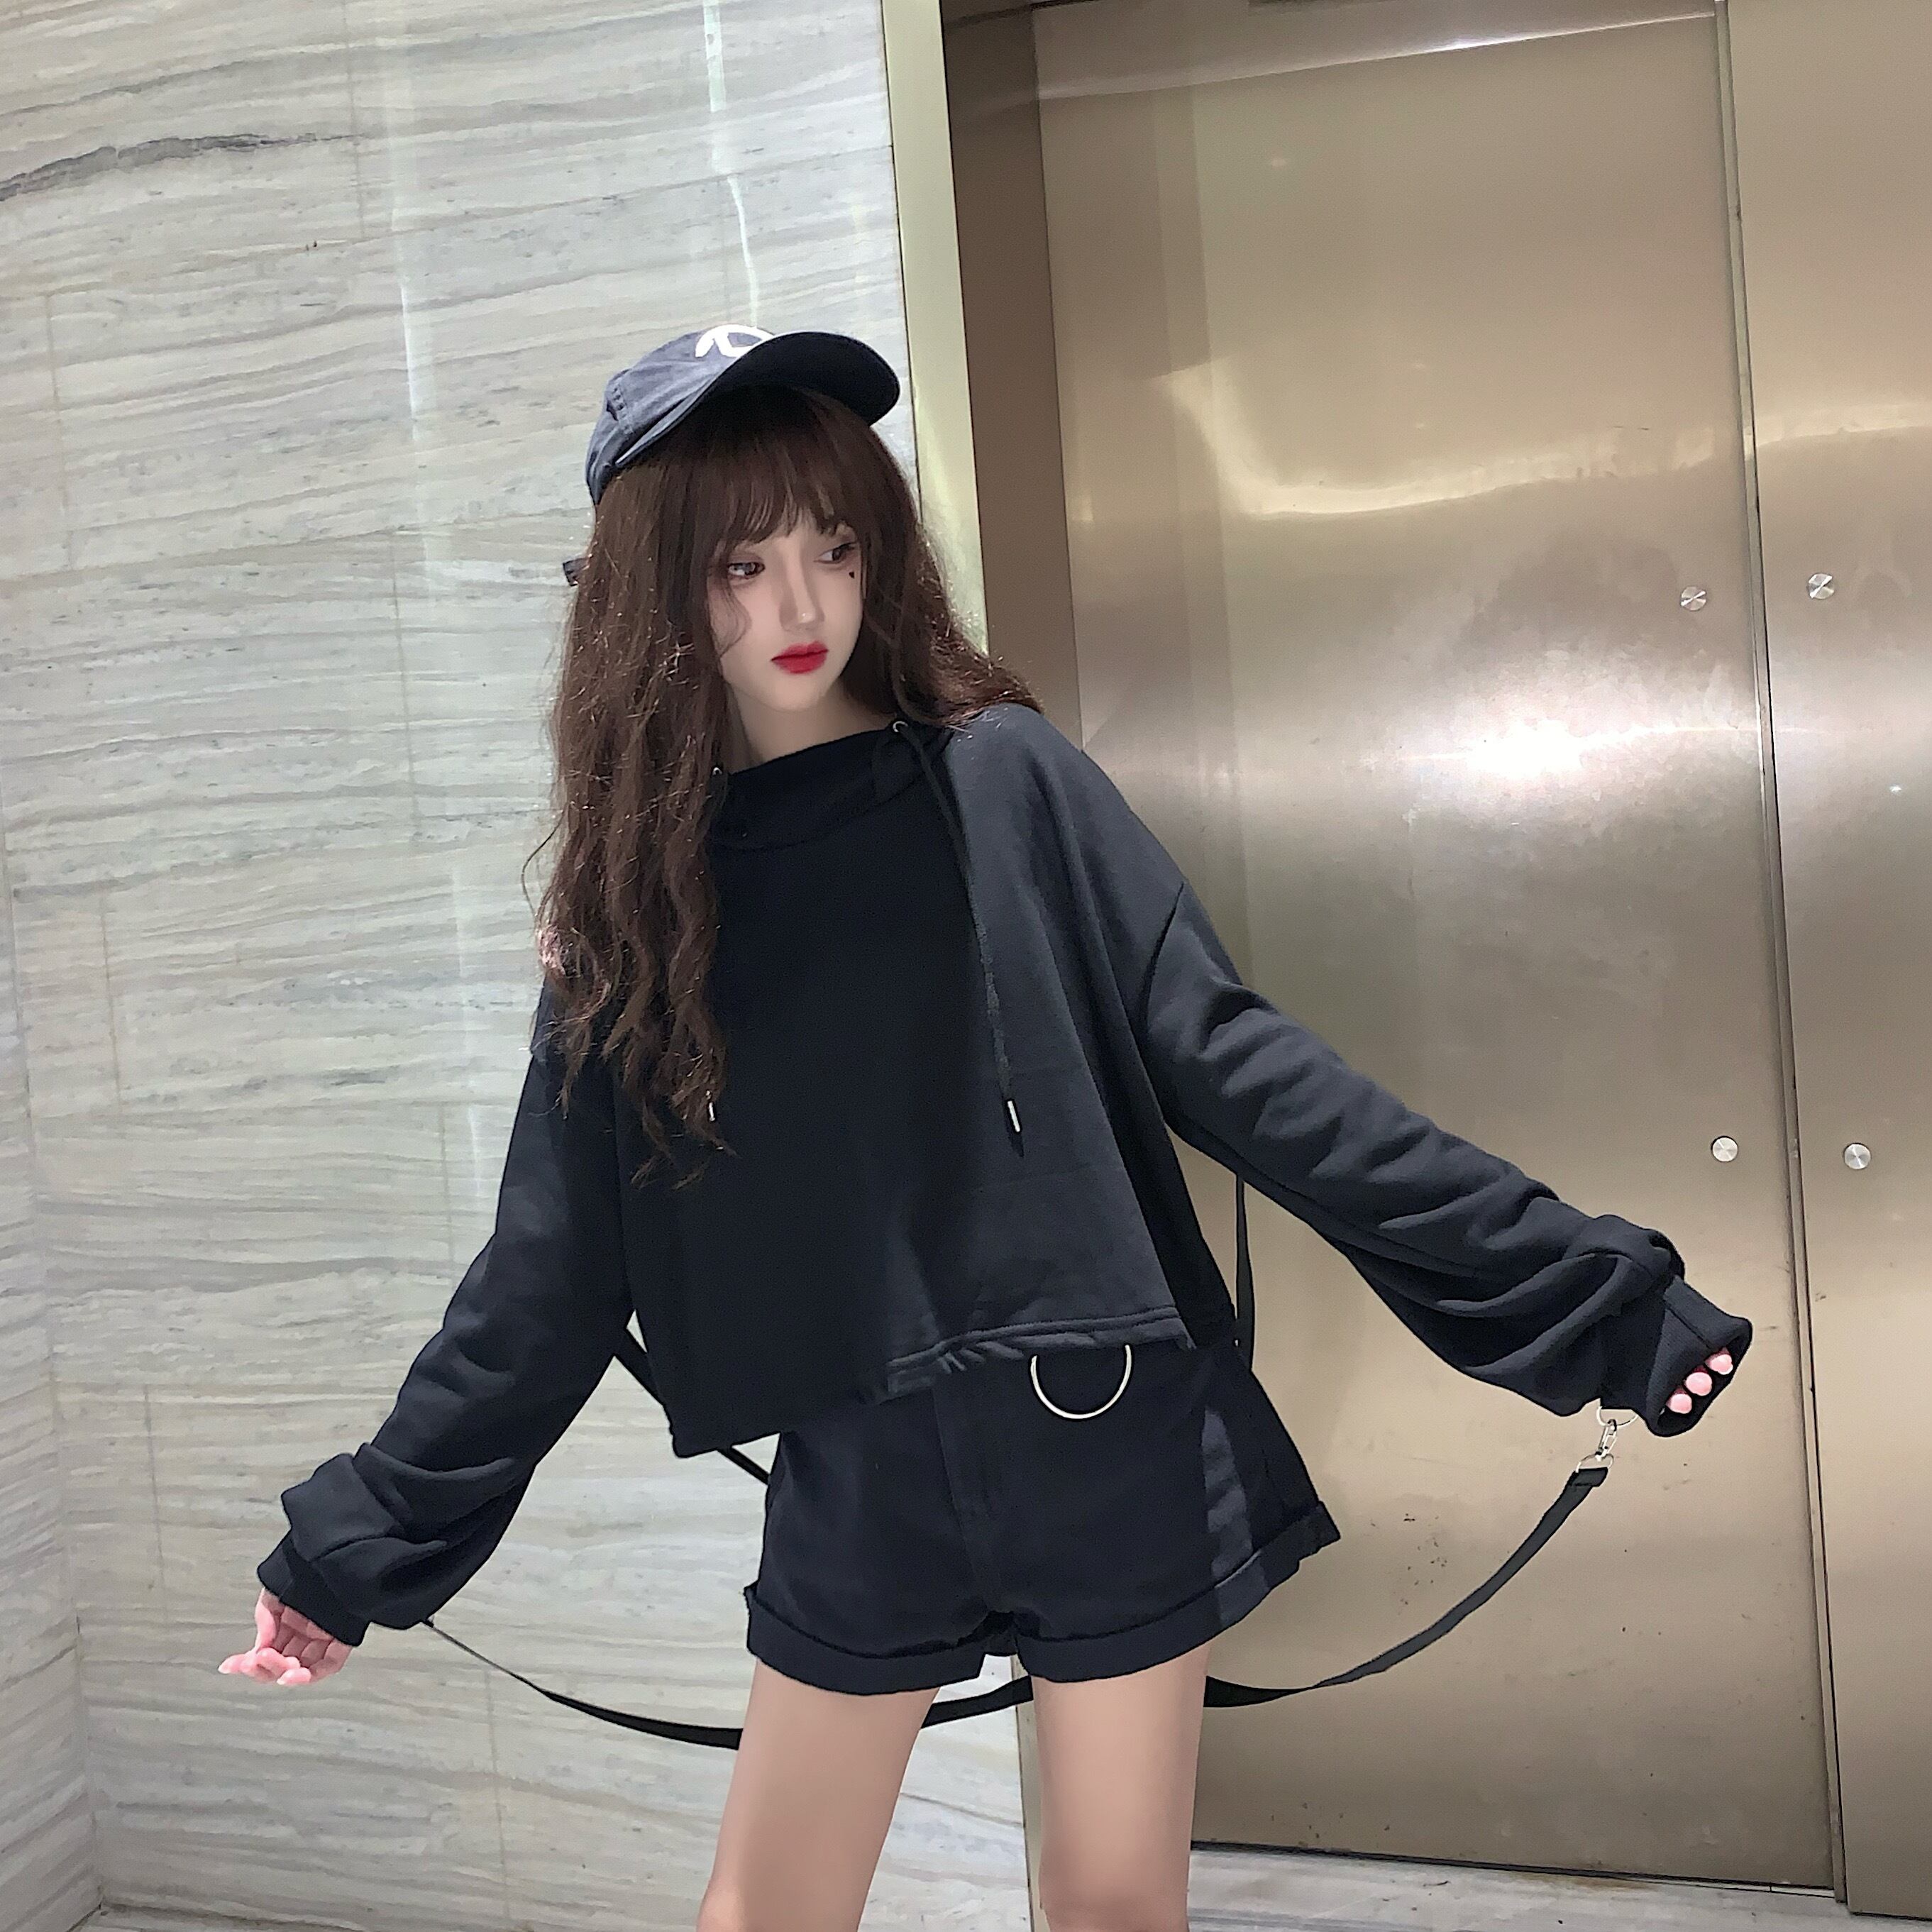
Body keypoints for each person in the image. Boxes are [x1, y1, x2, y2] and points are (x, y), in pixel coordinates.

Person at [217, 325, 1750, 1932]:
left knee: (1109, 1909)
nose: (800, 607)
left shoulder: (1002, 784)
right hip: (859, 1466)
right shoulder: (635, 910)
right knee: (763, 1914)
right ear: (655, 592)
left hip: (1107, 1429)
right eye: (741, 565)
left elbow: (1246, 1071)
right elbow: (547, 1274)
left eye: (833, 547)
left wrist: (1592, 1299)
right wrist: (355, 1548)